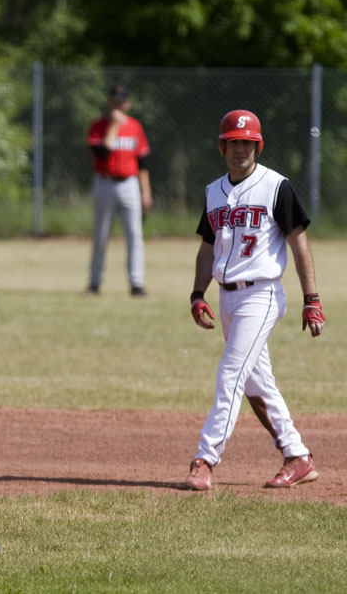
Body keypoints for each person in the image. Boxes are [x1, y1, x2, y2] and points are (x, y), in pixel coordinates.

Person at [184, 109, 326, 491]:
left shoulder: (276, 186)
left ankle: (205, 459)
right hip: (227, 298)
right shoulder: (214, 192)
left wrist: (311, 298)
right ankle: (298, 456)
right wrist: (197, 293)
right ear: (222, 147)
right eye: (234, 142)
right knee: (256, 386)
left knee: (230, 374)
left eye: (248, 142)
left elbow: (299, 243)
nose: (241, 149)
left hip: (261, 295)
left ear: (258, 146)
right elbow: (208, 247)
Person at [86, 84, 153, 296]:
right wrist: (114, 126)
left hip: (129, 183)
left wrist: (146, 193)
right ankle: (94, 282)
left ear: (128, 104)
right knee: (101, 234)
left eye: (121, 101)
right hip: (104, 182)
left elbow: (142, 163)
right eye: (114, 101)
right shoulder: (98, 126)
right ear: (109, 102)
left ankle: (136, 283)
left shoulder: (135, 127)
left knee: (134, 234)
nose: (117, 105)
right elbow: (103, 153)